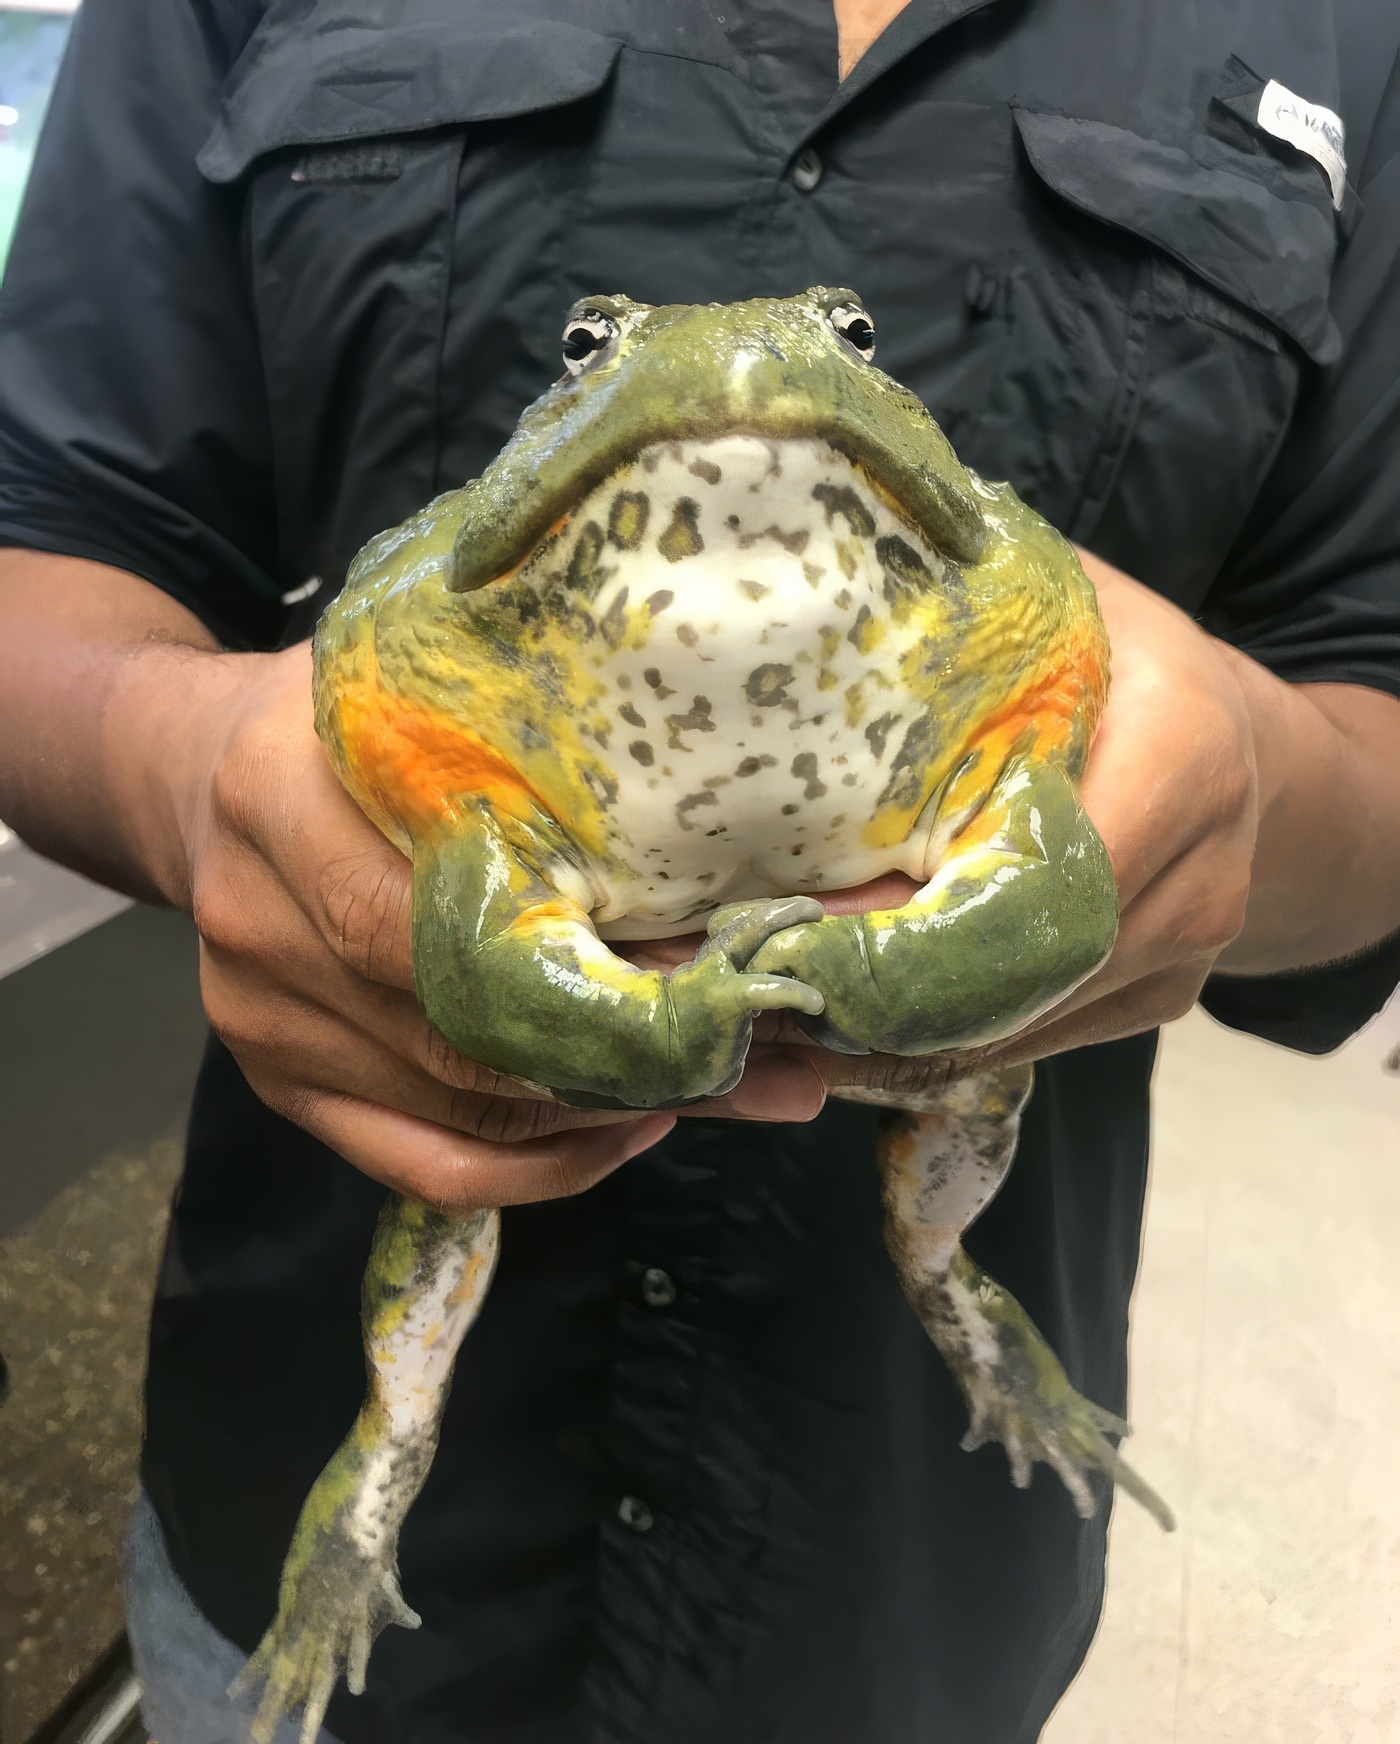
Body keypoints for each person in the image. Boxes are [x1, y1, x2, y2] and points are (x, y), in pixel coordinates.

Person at [2, 1, 1399, 1738]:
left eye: (849, 342)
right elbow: (47, 530)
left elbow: (1374, 696)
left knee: (949, 1201)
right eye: (590, 352)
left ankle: (986, 1336)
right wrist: (188, 764)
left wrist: (1245, 772)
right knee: (401, 1354)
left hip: (911, 1584)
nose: (741, 384)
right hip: (316, 1413)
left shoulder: (1352, 34)